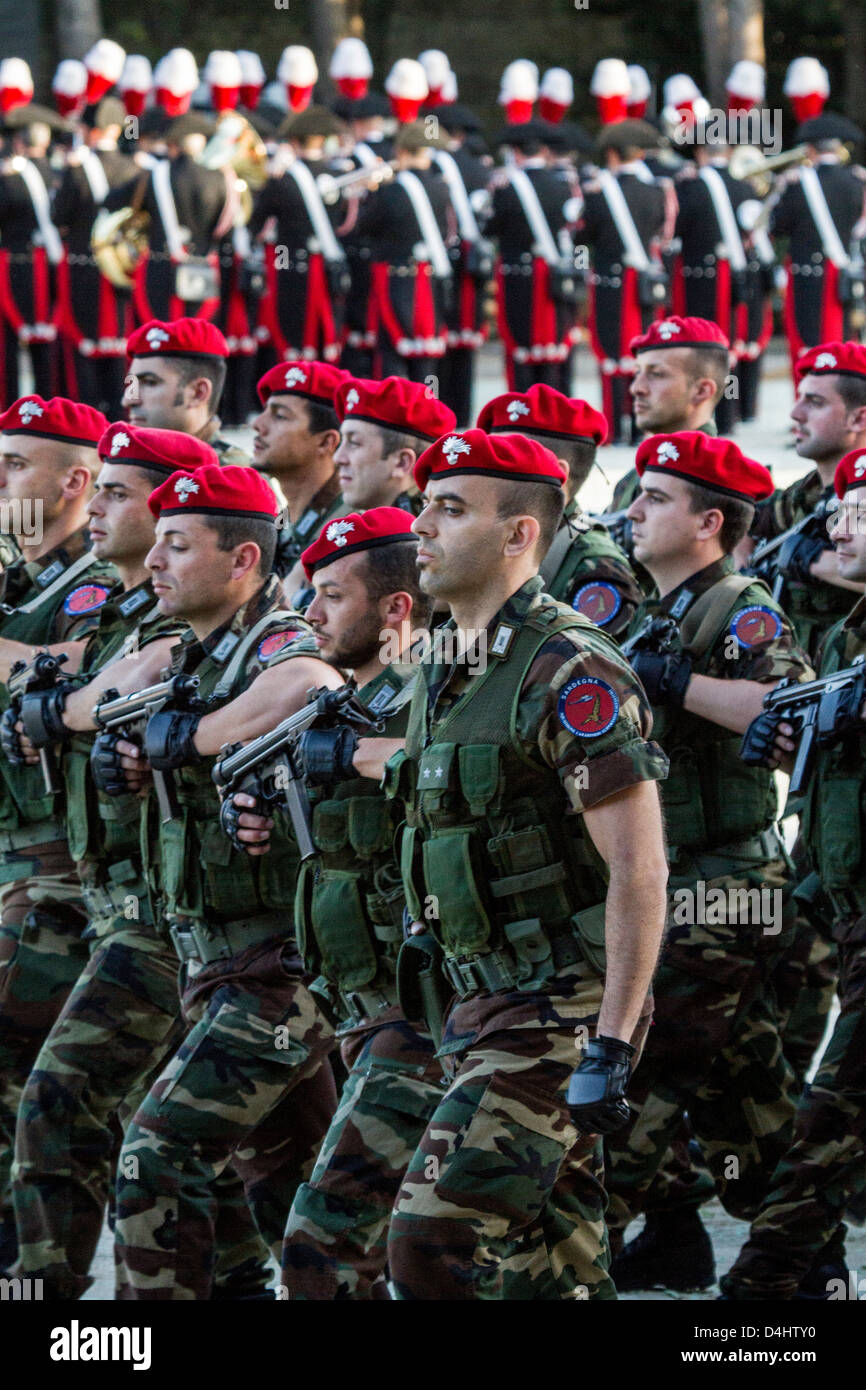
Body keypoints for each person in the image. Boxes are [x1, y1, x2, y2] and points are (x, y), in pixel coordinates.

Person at [364, 428, 670, 1299]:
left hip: (554, 1014)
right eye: (425, 503)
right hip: (469, 1003)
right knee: (552, 1264)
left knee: (429, 1242)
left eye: (450, 509)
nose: (419, 525)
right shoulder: (445, 663)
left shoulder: (568, 669)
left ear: (518, 536)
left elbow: (640, 871)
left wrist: (611, 1042)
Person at [6, 423, 271, 1300]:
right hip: (139, 906)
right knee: (216, 1140)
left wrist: (87, 707)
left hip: (191, 924)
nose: (109, 514)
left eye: (126, 496)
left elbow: (86, 691)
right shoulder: (146, 613)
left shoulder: (208, 630)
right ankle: (233, 1274)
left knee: (70, 1098)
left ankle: (46, 1289)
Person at [100, 463, 344, 1298]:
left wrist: (190, 736)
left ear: (243, 561)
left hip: (277, 968)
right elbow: (113, 700)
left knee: (157, 1154)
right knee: (295, 1199)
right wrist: (123, 742)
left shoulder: (274, 637)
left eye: (177, 544)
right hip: (215, 962)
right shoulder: (192, 650)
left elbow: (314, 684)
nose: (155, 560)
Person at [605, 432, 810, 1288]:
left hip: (720, 888)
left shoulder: (738, 607)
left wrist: (678, 685)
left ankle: (576, 1247)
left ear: (709, 521)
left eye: (656, 498)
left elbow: (785, 710)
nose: (634, 510)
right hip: (684, 883)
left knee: (635, 1087)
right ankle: (802, 1257)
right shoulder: (658, 605)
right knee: (747, 1106)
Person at [225, 507, 444, 1300]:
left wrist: (351, 758)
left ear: (395, 610)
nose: (308, 614)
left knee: (323, 1245)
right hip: (354, 996)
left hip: (426, 1008)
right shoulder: (342, 705)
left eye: (331, 597)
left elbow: (446, 763)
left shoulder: (431, 694)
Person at [721, 444, 866, 1299]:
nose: (837, 523)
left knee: (828, 1126)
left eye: (859, 508)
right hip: (842, 903)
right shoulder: (853, 630)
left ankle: (763, 1298)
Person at [0, 396, 113, 1271]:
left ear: (73, 482)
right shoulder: (12, 573)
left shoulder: (99, 583)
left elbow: (79, 670)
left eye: (15, 466)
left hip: (60, 865)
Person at [476, 384, 641, 639]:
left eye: (503, 460)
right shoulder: (491, 540)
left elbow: (594, 669)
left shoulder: (593, 567)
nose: (483, 472)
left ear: (557, 475)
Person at [579, 119, 667, 445]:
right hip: (643, 282)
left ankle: (614, 428)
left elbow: (584, 236)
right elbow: (660, 229)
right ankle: (640, 426)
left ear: (613, 154)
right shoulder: (656, 192)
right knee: (641, 353)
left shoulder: (600, 195)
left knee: (611, 353)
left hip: (609, 283)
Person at [52, 97, 137, 417]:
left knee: (82, 352)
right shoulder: (133, 168)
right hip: (121, 274)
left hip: (83, 272)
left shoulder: (77, 169)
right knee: (120, 350)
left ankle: (85, 419)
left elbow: (58, 215)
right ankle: (122, 417)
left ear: (89, 130)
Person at [351, 121, 453, 383]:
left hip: (395, 277)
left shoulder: (391, 190)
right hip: (429, 277)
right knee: (425, 353)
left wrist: (367, 192)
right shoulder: (441, 187)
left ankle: (393, 414)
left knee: (390, 350)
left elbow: (364, 227)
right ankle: (427, 409)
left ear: (402, 151)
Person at [248, 105, 349, 370]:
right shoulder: (338, 175)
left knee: (291, 337)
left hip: (290, 268)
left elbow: (256, 221)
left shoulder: (283, 181)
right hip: (330, 267)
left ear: (293, 141)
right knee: (325, 339)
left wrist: (269, 177)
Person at [484, 120, 579, 393]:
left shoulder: (506, 187)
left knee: (520, 346)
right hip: (554, 274)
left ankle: (521, 412)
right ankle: (552, 407)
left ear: (515, 152)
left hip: (518, 274)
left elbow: (490, 228)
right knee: (553, 346)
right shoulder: (564, 185)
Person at [106, 112, 228, 325]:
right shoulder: (219, 178)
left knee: (160, 340)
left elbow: (110, 202)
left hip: (159, 272)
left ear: (172, 144)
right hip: (205, 272)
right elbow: (227, 230)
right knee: (198, 341)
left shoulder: (153, 176)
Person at [770, 113, 866, 369]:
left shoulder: (798, 183)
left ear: (810, 149)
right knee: (845, 344)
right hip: (844, 275)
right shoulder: (857, 182)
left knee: (806, 345)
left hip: (805, 277)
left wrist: (781, 188)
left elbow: (777, 227)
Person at [610, 316, 731, 514]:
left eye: (656, 374)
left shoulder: (713, 483)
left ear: (702, 391)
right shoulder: (639, 474)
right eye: (637, 373)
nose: (636, 388)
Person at [251, 359, 347, 584]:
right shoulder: (283, 519)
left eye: (280, 416)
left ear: (325, 442)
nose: (258, 424)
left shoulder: (347, 530)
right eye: (265, 411)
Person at [122, 316, 251, 466]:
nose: (128, 400)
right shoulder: (127, 464)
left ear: (198, 393)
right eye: (132, 384)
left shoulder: (231, 480)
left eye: (150, 383)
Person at [333, 374, 455, 513]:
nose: (337, 458)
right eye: (343, 441)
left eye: (354, 443)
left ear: (402, 463)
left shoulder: (430, 533)